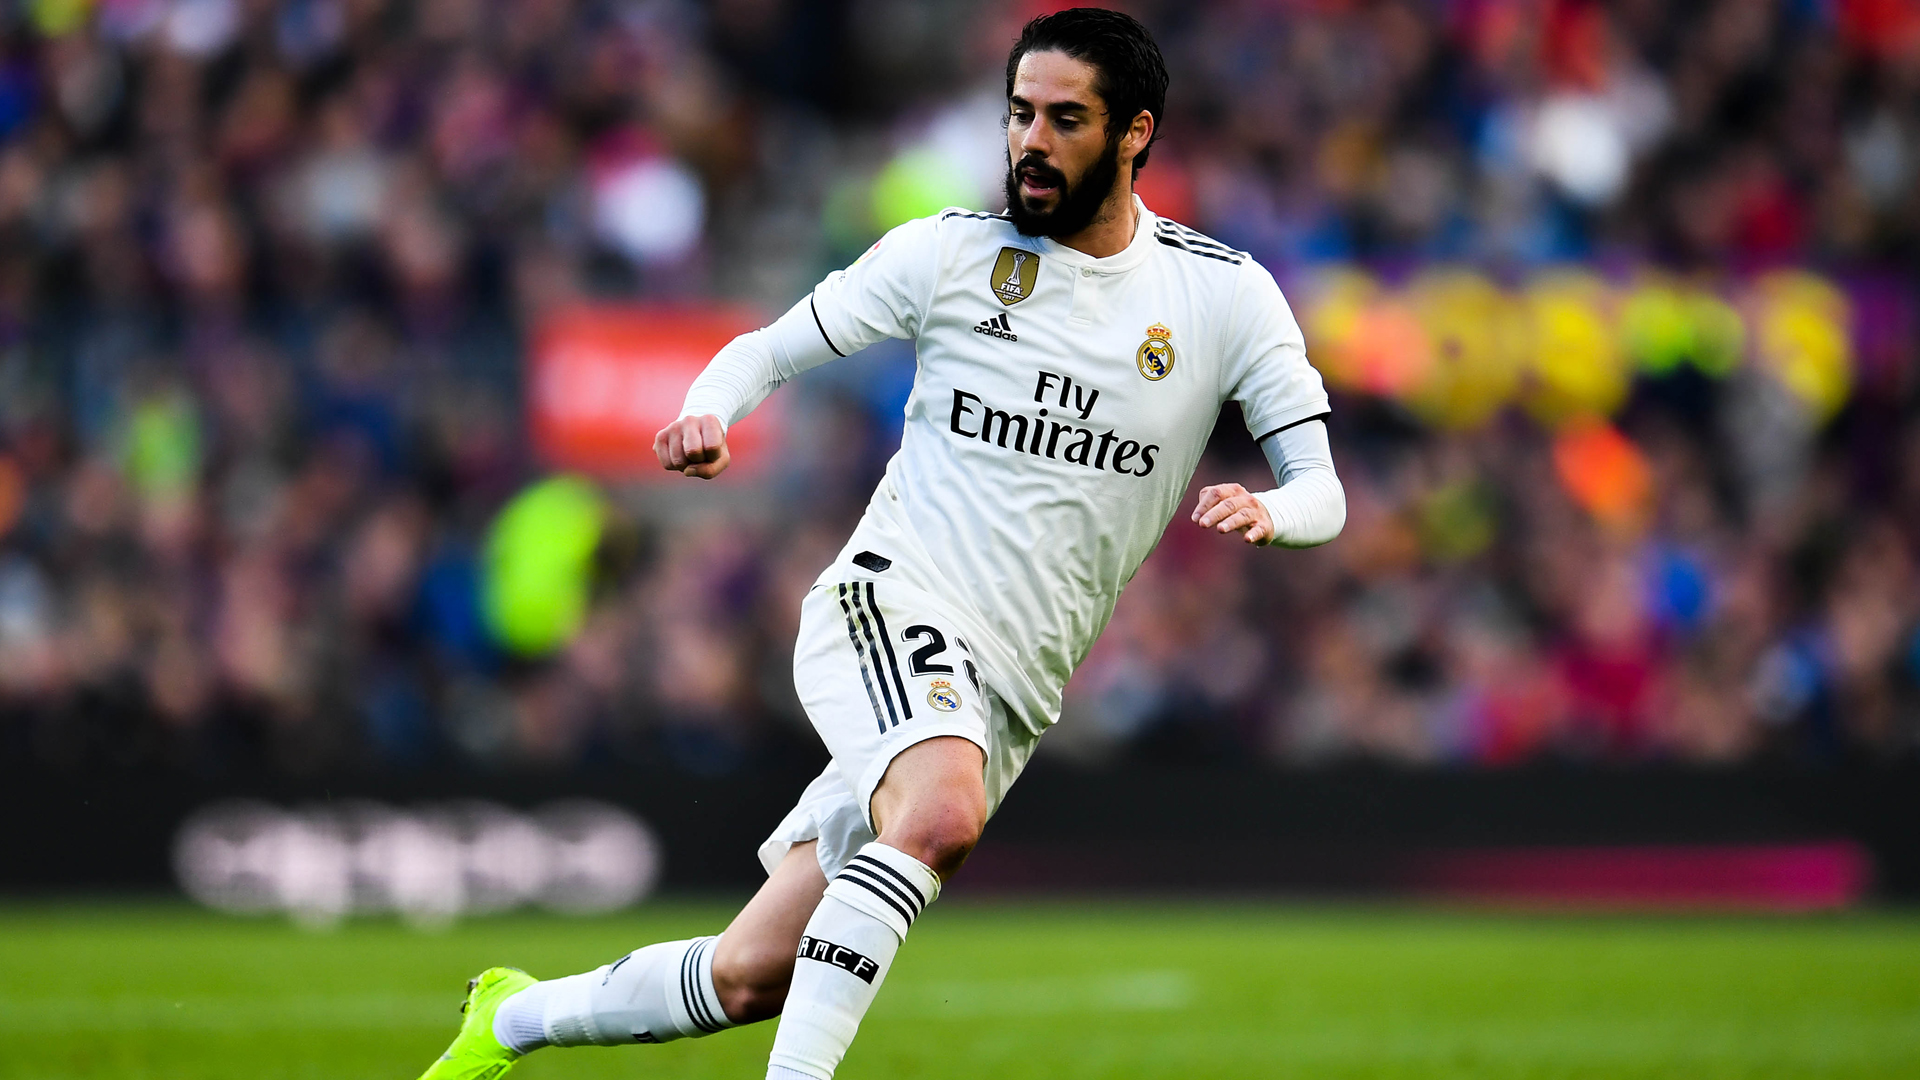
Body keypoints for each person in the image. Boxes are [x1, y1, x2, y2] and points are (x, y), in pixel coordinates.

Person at [416, 9, 1344, 1079]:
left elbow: (1322, 490)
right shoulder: (949, 254)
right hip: (894, 602)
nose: (1031, 141)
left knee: (750, 976)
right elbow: (765, 349)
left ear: (1135, 132)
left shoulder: (1223, 297)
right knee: (940, 812)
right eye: (1019, 114)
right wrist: (707, 410)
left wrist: (1277, 513)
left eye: (1065, 119)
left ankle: (512, 1019)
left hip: (1010, 691)